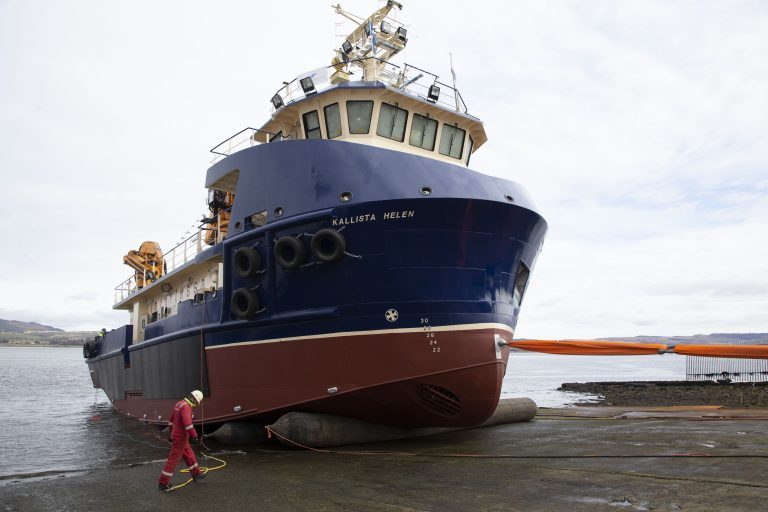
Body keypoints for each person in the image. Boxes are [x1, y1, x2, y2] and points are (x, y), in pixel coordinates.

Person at [158, 390, 205, 491]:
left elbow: (171, 421)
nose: (196, 404)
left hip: (179, 437)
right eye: (197, 402)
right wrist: (195, 436)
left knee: (189, 454)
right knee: (173, 460)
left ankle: (196, 474)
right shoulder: (186, 407)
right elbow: (188, 424)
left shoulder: (179, 404)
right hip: (180, 438)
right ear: (194, 400)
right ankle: (163, 483)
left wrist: (171, 433)